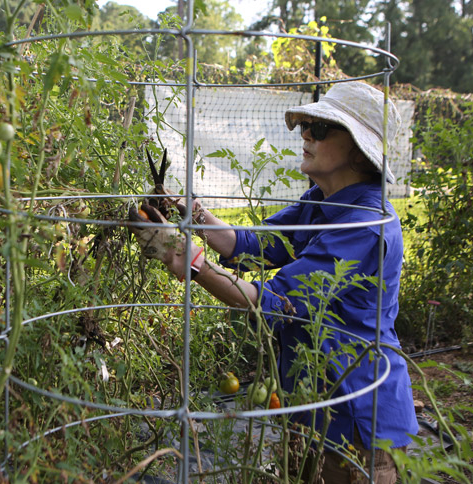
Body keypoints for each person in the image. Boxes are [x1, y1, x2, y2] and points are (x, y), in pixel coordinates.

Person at [129, 81, 418, 483]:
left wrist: (185, 259)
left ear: (356, 148)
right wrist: (188, 211)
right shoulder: (322, 200)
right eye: (305, 125)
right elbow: (254, 245)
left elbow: (274, 301)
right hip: (310, 407)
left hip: (356, 421)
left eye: (318, 128)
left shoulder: (367, 225)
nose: (305, 135)